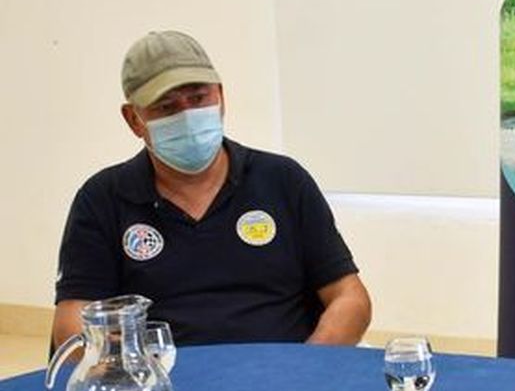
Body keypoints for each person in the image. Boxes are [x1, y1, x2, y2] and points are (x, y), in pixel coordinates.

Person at [52, 31, 372, 350]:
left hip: (281, 378)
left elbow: (350, 298)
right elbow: (71, 326)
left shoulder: (283, 180)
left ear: (221, 97)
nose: (187, 116)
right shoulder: (103, 199)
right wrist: (127, 377)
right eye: (166, 107)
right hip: (164, 388)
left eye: (198, 98)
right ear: (134, 119)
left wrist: (305, 368)